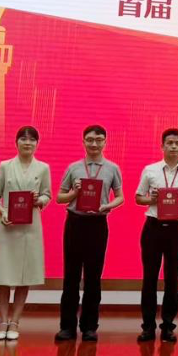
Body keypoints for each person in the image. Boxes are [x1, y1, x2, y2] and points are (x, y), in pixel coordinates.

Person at [54, 125, 125, 342]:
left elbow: (120, 197)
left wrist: (107, 206)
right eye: (90, 139)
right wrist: (74, 193)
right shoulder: (73, 167)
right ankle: (67, 327)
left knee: (93, 277)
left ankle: (89, 327)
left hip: (97, 224)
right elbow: (59, 197)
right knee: (71, 276)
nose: (94, 144)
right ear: (83, 141)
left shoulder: (112, 168)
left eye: (99, 140)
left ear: (105, 142)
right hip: (75, 223)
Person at [0, 126, 52, 340]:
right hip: (7, 226)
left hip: (30, 228)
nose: (27, 143)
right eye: (23, 138)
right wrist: (2, 211)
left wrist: (38, 200)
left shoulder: (43, 168)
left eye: (32, 139)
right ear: (16, 142)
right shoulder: (5, 166)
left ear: (37, 144)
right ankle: (3, 321)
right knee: (2, 276)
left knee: (24, 276)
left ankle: (15, 322)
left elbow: (47, 195)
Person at [135, 128, 178, 343]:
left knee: (172, 279)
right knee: (150, 279)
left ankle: (168, 327)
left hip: (176, 229)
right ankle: (148, 327)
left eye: (177, 143)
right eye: (169, 143)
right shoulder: (150, 170)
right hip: (153, 227)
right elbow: (138, 198)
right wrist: (151, 200)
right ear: (162, 146)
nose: (173, 146)